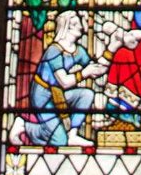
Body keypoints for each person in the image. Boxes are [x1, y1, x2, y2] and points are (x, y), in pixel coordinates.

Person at [26, 9, 114, 147]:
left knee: (86, 94)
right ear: (67, 27)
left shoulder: (79, 51)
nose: (81, 26)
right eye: (76, 23)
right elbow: (64, 82)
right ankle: (24, 126)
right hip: (43, 96)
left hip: (60, 94)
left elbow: (95, 71)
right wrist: (84, 73)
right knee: (60, 141)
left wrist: (112, 48)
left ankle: (72, 135)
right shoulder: (54, 50)